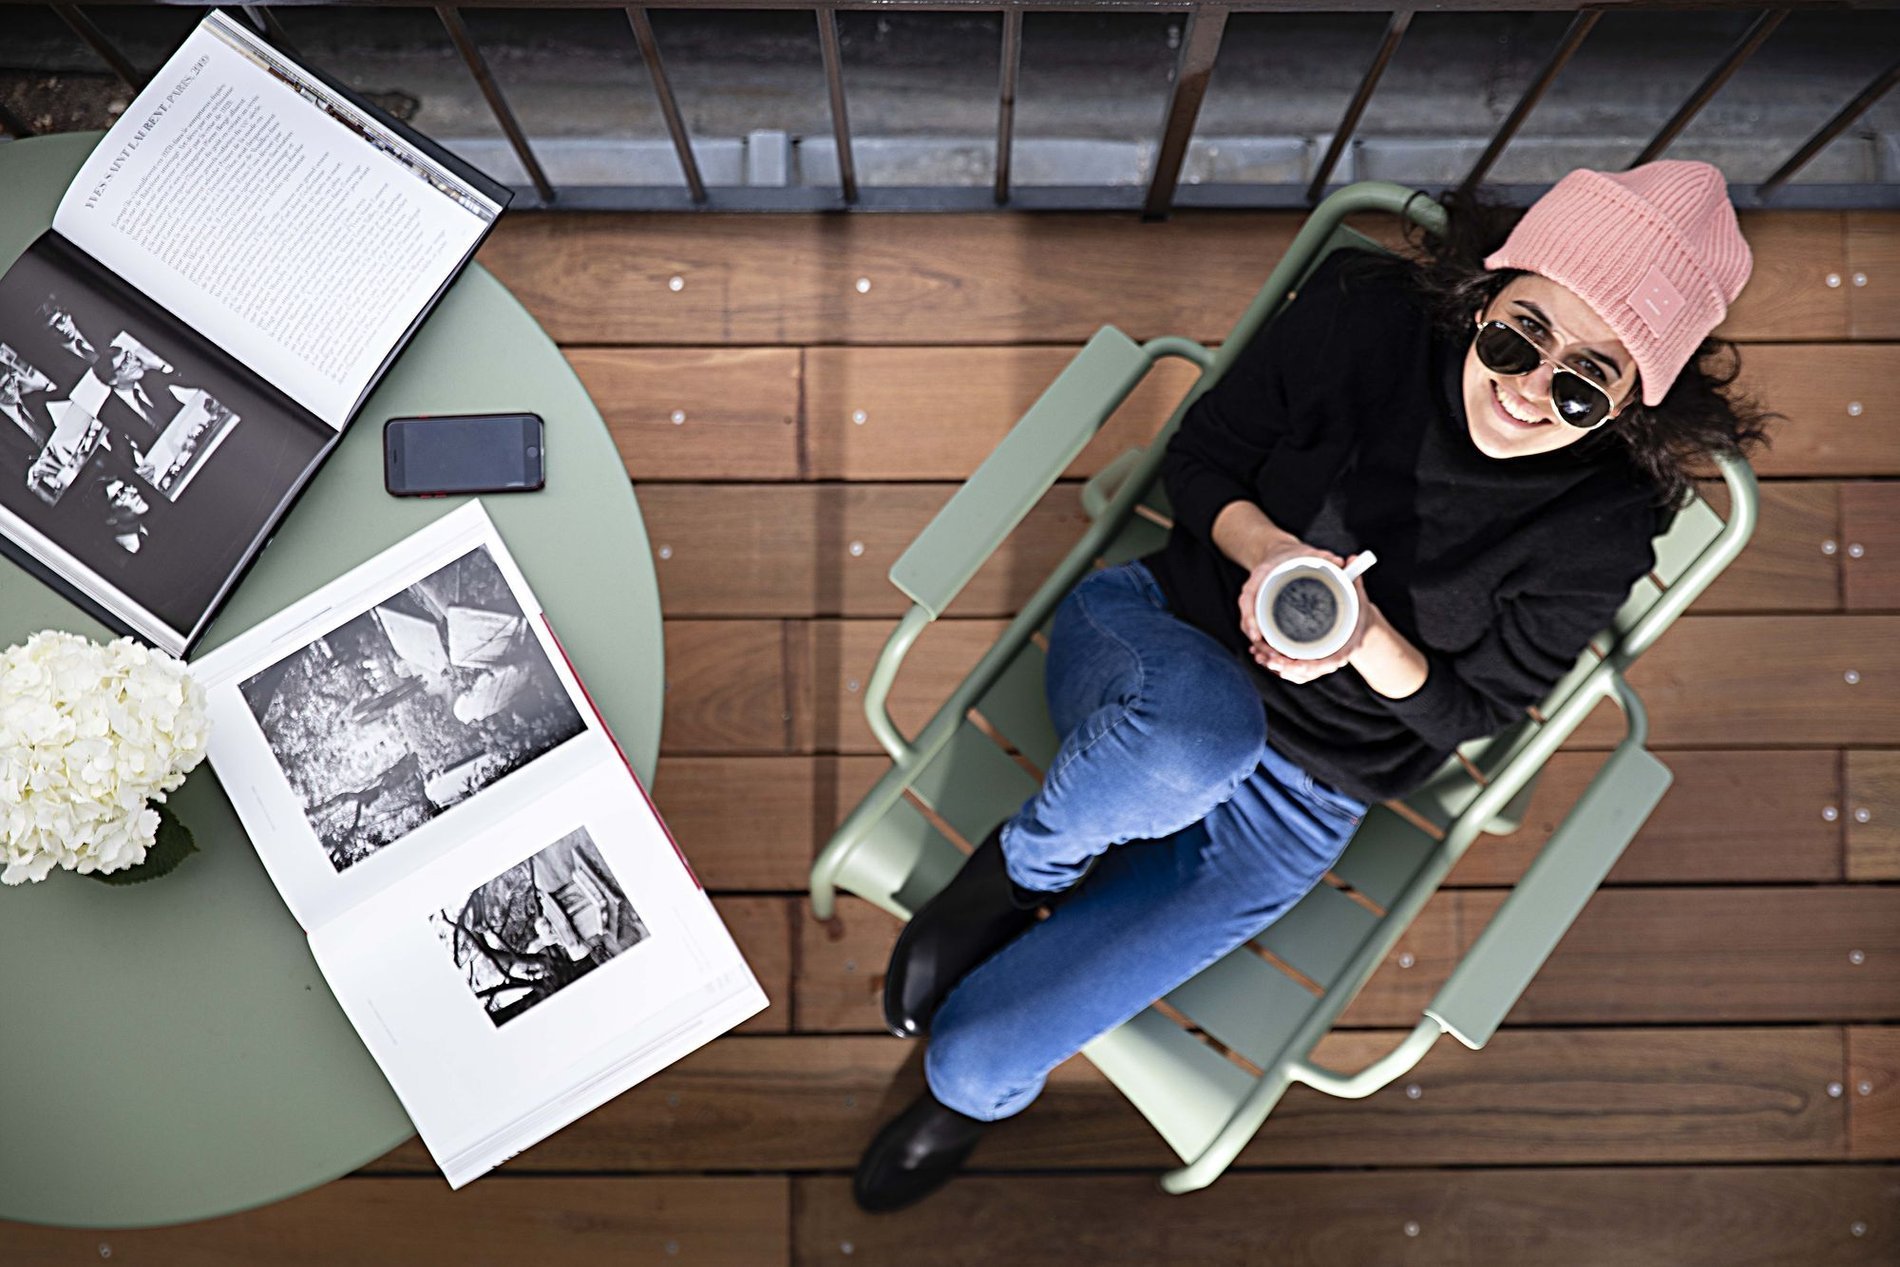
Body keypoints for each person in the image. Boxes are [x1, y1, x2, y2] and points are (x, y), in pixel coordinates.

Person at [851, 160, 1778, 1212]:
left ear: (1633, 401)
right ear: (1484, 291)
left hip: (1305, 799)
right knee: (1196, 740)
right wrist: (1269, 556)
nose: (1528, 389)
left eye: (1582, 382)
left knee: (973, 1066)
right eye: (1518, 336)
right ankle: (1016, 875)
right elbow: (1199, 461)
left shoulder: (1602, 521)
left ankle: (958, 1096)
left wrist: (1366, 641)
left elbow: (1471, 716)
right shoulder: (1363, 318)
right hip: (1169, 644)